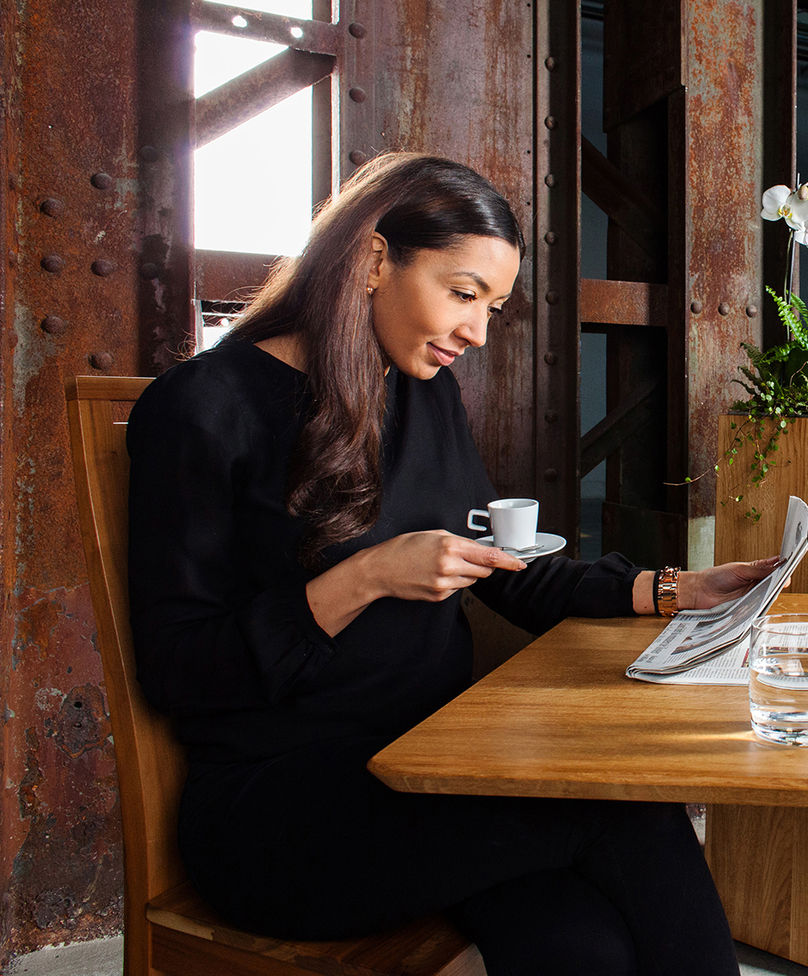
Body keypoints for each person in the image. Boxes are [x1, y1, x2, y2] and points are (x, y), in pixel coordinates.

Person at [126, 152, 770, 976]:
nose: (477, 332)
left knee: (584, 949)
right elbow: (177, 671)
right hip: (282, 810)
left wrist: (674, 588)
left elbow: (502, 563)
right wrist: (364, 578)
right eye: (463, 294)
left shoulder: (420, 388)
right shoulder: (200, 407)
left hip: (437, 767)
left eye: (493, 307)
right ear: (371, 258)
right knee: (620, 800)